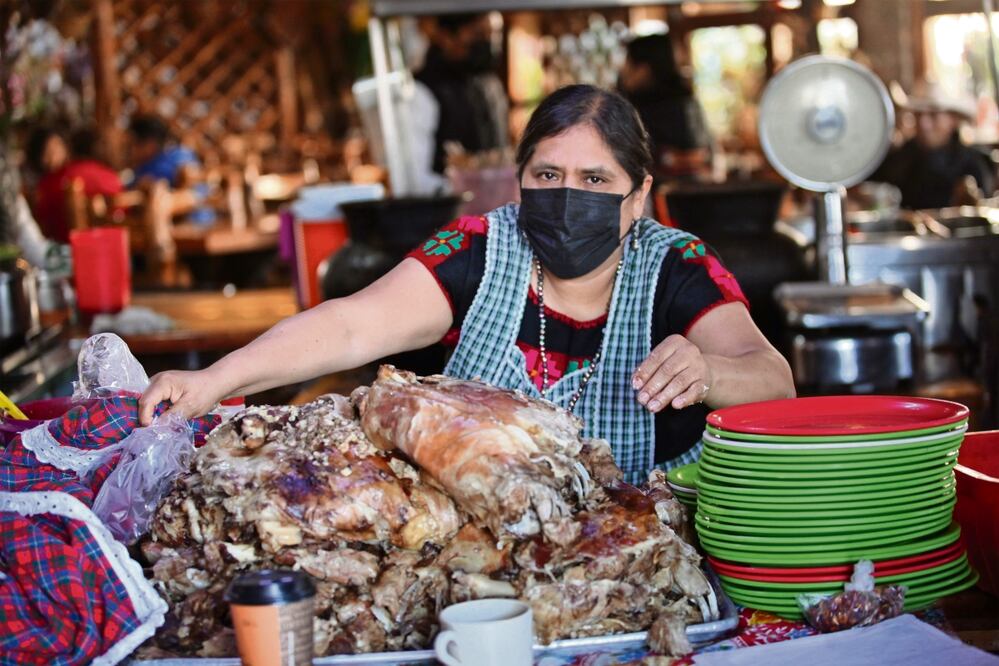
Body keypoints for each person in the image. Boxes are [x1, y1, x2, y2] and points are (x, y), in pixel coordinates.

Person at [139, 85, 794, 482]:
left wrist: (707, 371)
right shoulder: (479, 249)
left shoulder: (675, 264)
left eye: (595, 180)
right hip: (483, 552)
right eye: (547, 175)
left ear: (638, 195)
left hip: (638, 550)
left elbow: (772, 379)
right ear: (520, 179)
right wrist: (215, 380)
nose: (568, 195)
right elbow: (350, 325)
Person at [410, 13, 508, 194]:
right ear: (446, 37)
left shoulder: (490, 84)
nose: (489, 42)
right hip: (449, 207)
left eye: (495, 33)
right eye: (478, 34)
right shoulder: (422, 91)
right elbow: (417, 178)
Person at [872, 81, 994, 210]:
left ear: (953, 120)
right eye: (918, 114)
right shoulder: (898, 159)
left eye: (933, 115)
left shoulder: (973, 164)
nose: (923, 124)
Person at [617, 33, 714, 184]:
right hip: (693, 190)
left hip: (666, 192)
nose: (623, 70)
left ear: (645, 69)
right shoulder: (686, 100)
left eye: (628, 63)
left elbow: (699, 155)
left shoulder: (637, 108)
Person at [28, 126, 123, 243]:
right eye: (48, 150)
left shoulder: (45, 186)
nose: (54, 153)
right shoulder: (72, 175)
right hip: (80, 244)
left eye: (56, 146)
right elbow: (115, 185)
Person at [127, 114, 215, 225]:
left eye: (132, 144)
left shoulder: (176, 157)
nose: (129, 151)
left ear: (150, 144)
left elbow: (192, 184)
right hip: (194, 220)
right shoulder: (144, 166)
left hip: (193, 222)